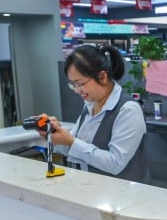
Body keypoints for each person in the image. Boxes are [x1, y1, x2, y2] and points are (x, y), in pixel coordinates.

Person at [42, 44, 149, 182]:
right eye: (73, 84)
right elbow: (72, 147)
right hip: (92, 190)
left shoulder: (128, 110)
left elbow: (115, 164)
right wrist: (54, 134)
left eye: (80, 83)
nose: (76, 90)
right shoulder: (90, 105)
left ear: (102, 76)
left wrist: (72, 142)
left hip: (123, 196)